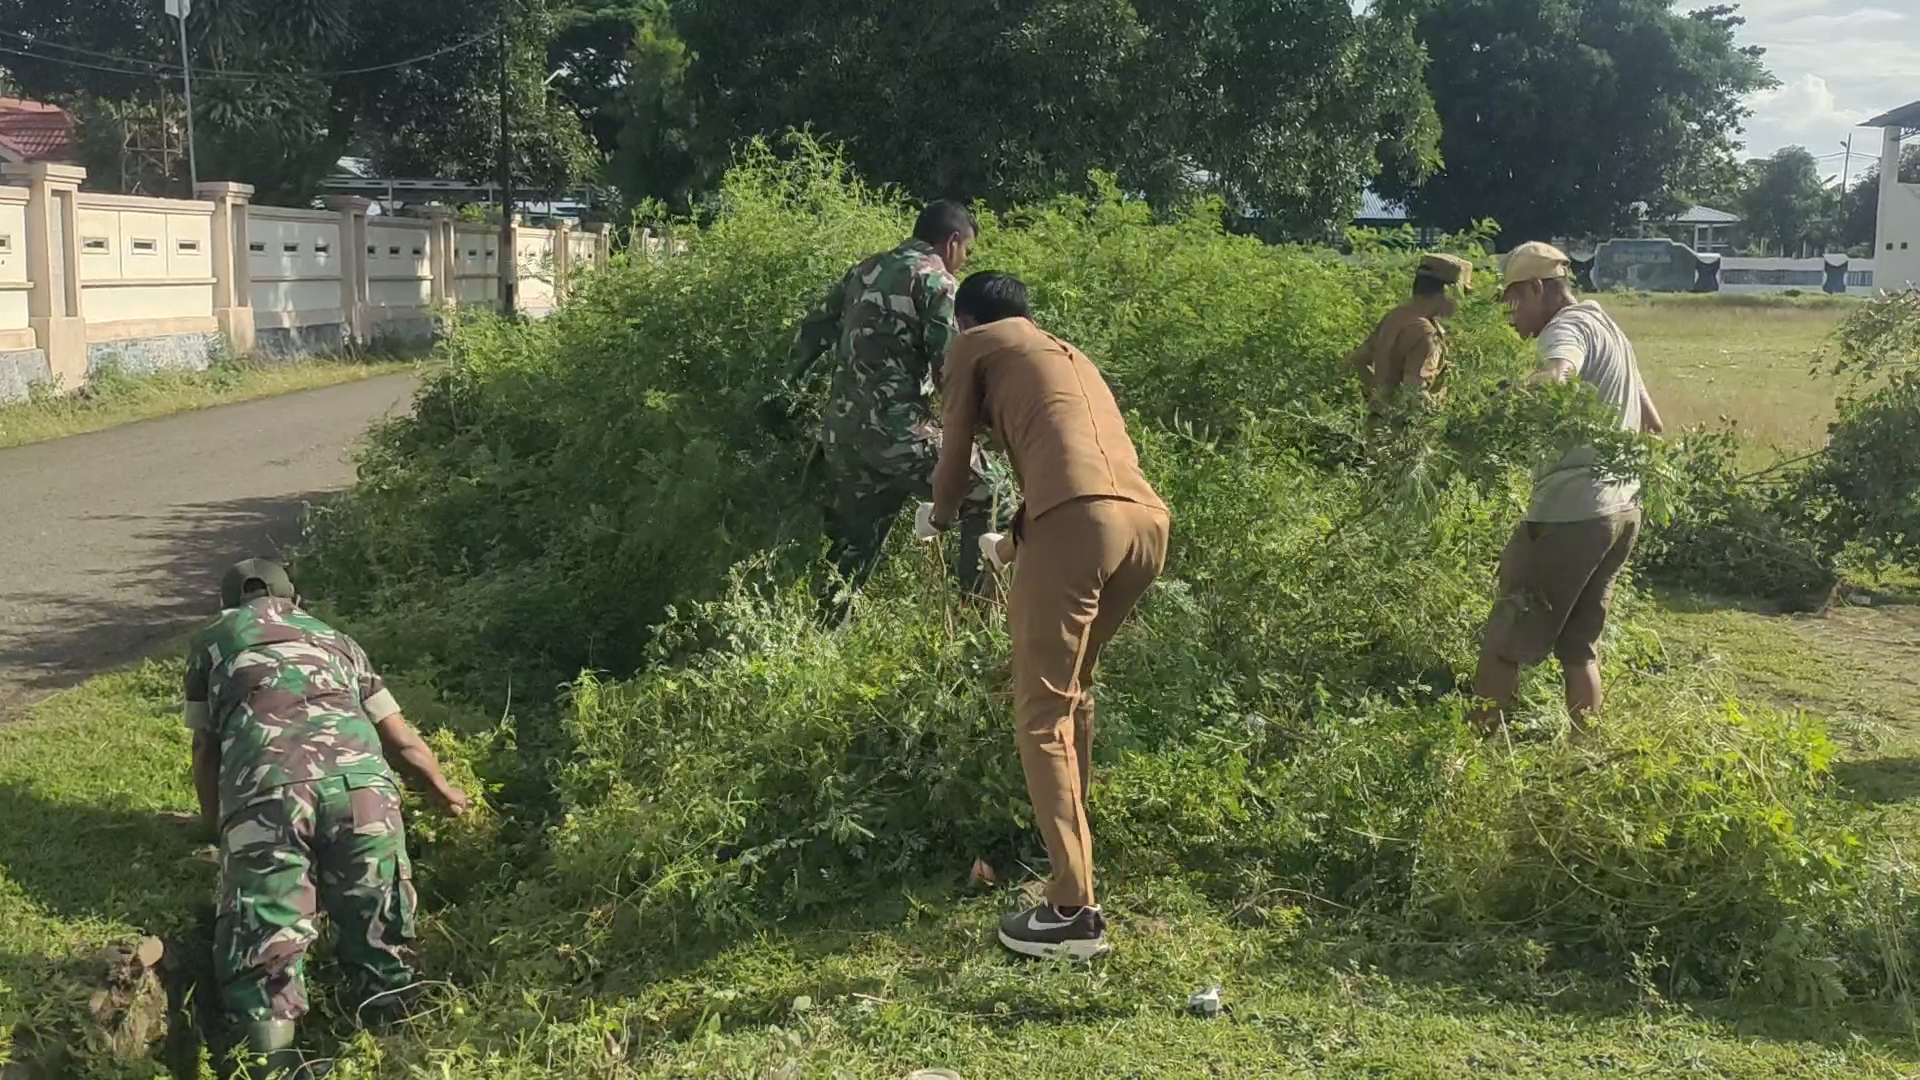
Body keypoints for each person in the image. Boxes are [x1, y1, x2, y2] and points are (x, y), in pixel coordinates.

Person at [928, 272, 1170, 960]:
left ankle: (1071, 910)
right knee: (1073, 695)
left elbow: (955, 455)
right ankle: (1074, 863)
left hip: (1078, 525)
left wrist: (938, 518)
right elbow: (1071, 468)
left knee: (1040, 713)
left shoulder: (973, 345)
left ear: (966, 319)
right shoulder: (1065, 354)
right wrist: (1008, 546)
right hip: (1145, 526)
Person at [185, 559, 469, 1078]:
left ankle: (273, 1066)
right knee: (380, 929)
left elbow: (206, 747)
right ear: (295, 599)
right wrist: (441, 789)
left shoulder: (213, 640)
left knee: (265, 944)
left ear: (228, 604)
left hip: (267, 792)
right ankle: (398, 1058)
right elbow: (400, 738)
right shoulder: (338, 640)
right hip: (364, 792)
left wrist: (215, 826)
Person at [1472, 243, 1665, 730]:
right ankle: (1586, 752)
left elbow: (1557, 375)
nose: (1510, 316)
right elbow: (1653, 425)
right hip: (1621, 512)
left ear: (1538, 288)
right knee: (1579, 648)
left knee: (1504, 639)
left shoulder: (1566, 329)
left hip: (1571, 513)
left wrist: (1498, 407)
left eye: (1513, 301)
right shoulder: (1611, 330)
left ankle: (1477, 748)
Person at [786, 200, 1010, 614]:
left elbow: (814, 329)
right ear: (952, 241)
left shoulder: (865, 269)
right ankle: (977, 616)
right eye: (967, 251)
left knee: (853, 549)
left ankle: (823, 630)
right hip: (900, 434)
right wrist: (985, 425)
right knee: (991, 491)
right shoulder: (937, 280)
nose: (964, 260)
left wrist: (784, 390)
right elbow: (949, 370)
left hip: (843, 436)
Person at [1346, 252, 1473, 430]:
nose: (1462, 302)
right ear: (1448, 292)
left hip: (1376, 430)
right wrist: (1456, 413)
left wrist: (1378, 396)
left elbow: (1358, 359)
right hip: (1403, 437)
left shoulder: (1395, 316)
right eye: (1462, 293)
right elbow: (1414, 394)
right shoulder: (1427, 335)